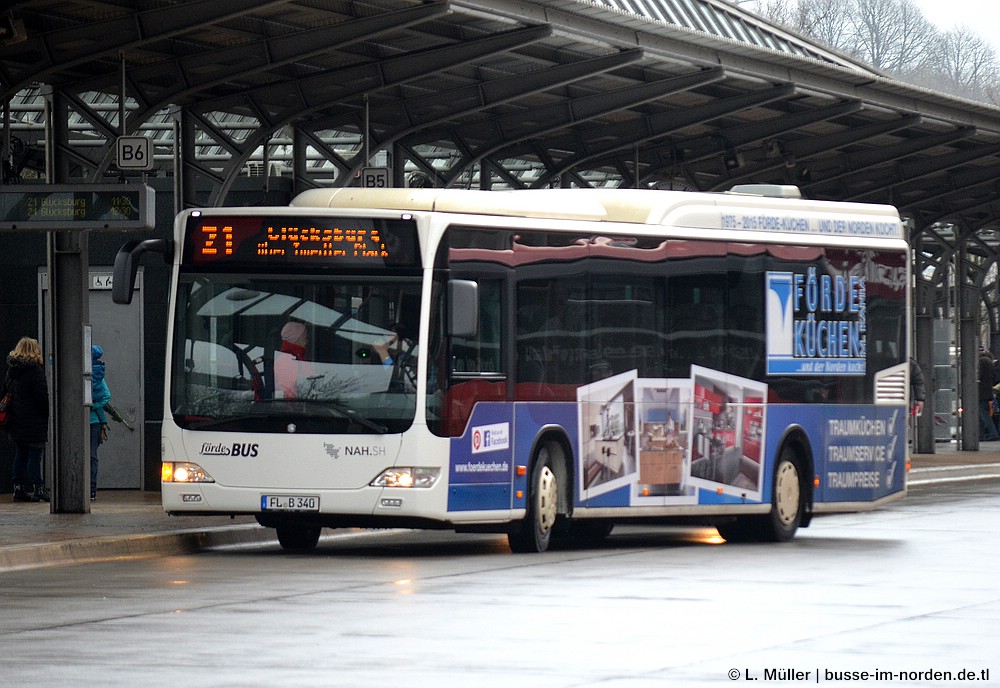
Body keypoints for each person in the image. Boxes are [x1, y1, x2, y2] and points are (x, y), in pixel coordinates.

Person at [2, 337, 50, 502]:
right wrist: (46, 416)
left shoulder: (11, 370)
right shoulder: (35, 371)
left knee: (20, 454)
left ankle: (18, 489)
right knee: (35, 455)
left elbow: (4, 393)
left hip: (15, 421)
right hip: (34, 421)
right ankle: (38, 488)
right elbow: (42, 398)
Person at [90, 345, 111, 501]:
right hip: (95, 422)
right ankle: (91, 489)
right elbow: (107, 396)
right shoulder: (98, 376)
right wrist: (94, 406)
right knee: (92, 456)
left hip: (79, 422)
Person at [273, 321, 316, 398]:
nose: (307, 341)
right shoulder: (287, 361)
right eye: (305, 337)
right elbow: (288, 393)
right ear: (296, 339)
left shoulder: (295, 358)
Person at [978, 346, 999, 441]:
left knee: (983, 413)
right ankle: (980, 435)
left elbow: (978, 376)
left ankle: (993, 433)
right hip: (987, 392)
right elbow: (994, 377)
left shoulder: (981, 361)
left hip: (981, 392)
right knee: (981, 414)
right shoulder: (989, 362)